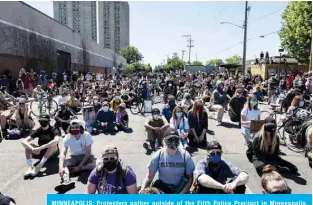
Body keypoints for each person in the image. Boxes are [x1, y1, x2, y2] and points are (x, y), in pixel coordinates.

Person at [140, 128, 195, 194]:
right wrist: (142, 191)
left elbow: (190, 178)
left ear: (179, 140)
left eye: (176, 139)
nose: (173, 142)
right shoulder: (159, 155)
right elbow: (150, 177)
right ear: (165, 141)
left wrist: (180, 194)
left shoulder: (185, 156)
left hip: (180, 188)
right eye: (170, 139)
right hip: (162, 188)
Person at [56, 119, 97, 192]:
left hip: (86, 157)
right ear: (70, 128)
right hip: (75, 157)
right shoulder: (67, 137)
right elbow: (63, 153)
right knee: (64, 164)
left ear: (81, 127)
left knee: (99, 164)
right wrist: (60, 167)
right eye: (72, 127)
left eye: (76, 127)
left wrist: (80, 166)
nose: (74, 129)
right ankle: (66, 181)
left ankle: (80, 169)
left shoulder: (86, 135)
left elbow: (88, 152)